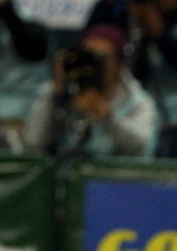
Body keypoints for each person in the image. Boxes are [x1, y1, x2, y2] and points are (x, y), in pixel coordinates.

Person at [86, 0, 177, 156]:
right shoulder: (131, 18)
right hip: (134, 120)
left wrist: (159, 31)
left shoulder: (160, 23)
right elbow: (94, 40)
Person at [23, 24, 159, 158]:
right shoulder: (65, 92)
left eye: (101, 58)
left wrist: (108, 119)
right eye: (88, 56)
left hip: (117, 178)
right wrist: (56, 93)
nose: (94, 65)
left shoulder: (138, 101)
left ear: (119, 64)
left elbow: (140, 146)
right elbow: (33, 141)